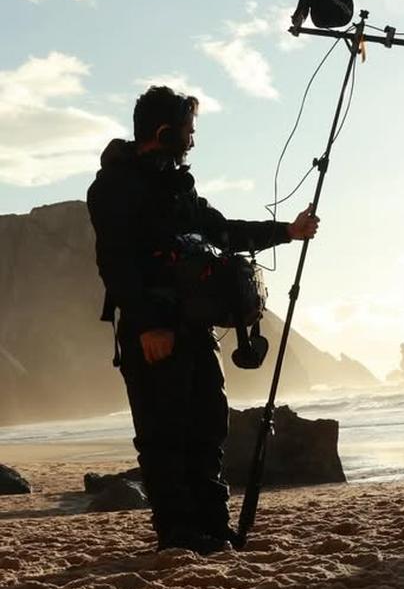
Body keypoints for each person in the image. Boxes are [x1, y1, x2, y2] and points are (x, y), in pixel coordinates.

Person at [87, 85, 319, 554]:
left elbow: (223, 230)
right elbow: (116, 263)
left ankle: (214, 527)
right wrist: (148, 325)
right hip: (153, 330)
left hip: (194, 325)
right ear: (163, 133)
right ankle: (177, 533)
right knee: (164, 435)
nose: (192, 141)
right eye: (188, 131)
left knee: (208, 427)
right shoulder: (113, 187)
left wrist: (287, 232)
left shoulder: (178, 186)